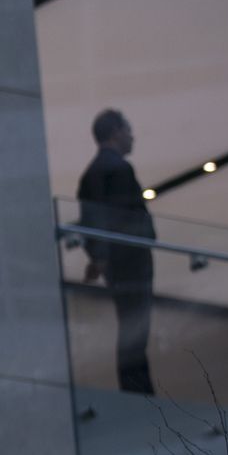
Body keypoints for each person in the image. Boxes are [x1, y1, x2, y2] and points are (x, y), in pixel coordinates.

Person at [77, 109, 155, 395]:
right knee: (135, 329)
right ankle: (138, 388)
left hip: (118, 265)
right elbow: (123, 218)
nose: (132, 136)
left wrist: (98, 258)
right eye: (128, 129)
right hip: (131, 262)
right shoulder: (118, 169)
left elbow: (91, 221)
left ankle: (135, 386)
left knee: (130, 325)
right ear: (115, 132)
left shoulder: (91, 174)